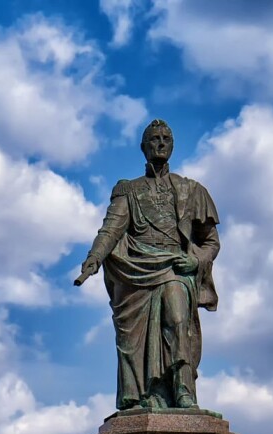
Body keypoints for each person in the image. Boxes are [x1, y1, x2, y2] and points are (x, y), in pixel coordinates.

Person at [75, 119, 221, 411]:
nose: (161, 142)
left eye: (166, 137)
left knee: (178, 319)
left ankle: (183, 390)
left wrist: (195, 260)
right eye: (154, 138)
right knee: (135, 341)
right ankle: (150, 393)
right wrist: (94, 258)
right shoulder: (128, 190)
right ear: (143, 147)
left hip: (174, 269)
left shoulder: (192, 190)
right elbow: (111, 229)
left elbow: (211, 242)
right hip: (136, 270)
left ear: (173, 145)